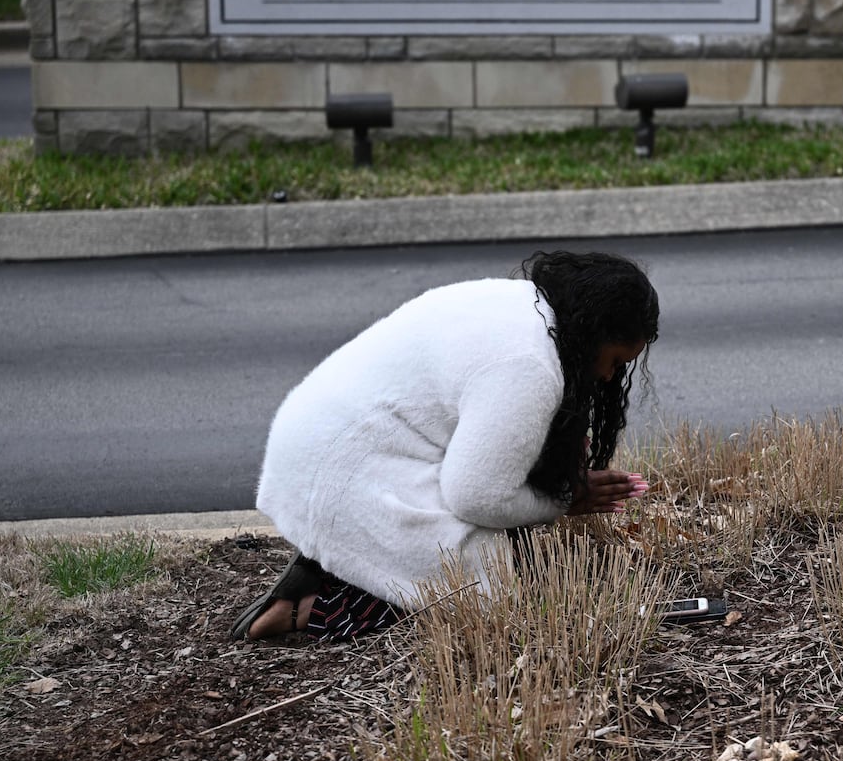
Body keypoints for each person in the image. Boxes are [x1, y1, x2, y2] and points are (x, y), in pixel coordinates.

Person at [232, 250, 660, 642]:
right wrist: (564, 501)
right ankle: (310, 607)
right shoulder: (529, 365)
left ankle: (332, 561)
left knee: (518, 553)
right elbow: (477, 497)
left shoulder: (525, 306)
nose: (609, 377)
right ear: (593, 332)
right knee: (490, 593)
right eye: (616, 361)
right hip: (340, 476)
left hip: (321, 451)